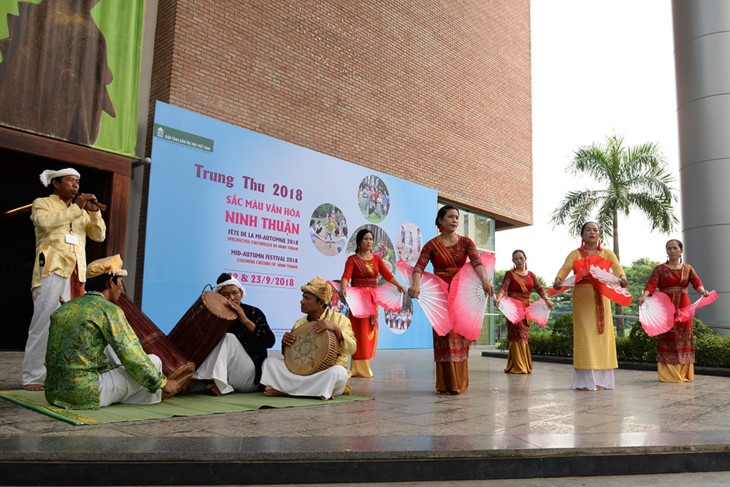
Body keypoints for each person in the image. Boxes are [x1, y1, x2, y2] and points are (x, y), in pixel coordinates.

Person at [44, 255, 179, 409]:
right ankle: (150, 397)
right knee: (154, 361)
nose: (121, 287)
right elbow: (131, 354)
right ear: (110, 282)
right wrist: (162, 382)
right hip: (85, 395)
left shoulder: (66, 307)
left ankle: (137, 395)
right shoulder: (109, 310)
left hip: (53, 392)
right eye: (120, 281)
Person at [23, 168, 106, 391]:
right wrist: (78, 208)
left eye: (78, 181)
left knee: (72, 326)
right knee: (44, 322)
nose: (76, 184)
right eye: (71, 181)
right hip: (52, 269)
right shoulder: (42, 203)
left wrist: (95, 212)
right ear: (56, 183)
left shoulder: (81, 211)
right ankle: (33, 377)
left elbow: (99, 235)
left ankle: (65, 374)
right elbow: (45, 224)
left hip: (76, 274)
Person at [407, 205, 494, 394]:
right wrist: (415, 284)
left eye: (457, 217)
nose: (455, 220)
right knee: (443, 335)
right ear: (440, 220)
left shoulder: (466, 242)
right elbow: (419, 267)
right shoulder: (431, 245)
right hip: (440, 293)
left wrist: (485, 281)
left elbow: (477, 262)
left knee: (460, 336)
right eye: (450, 217)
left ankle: (458, 383)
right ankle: (446, 383)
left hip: (462, 292)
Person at [552, 222, 628, 391]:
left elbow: (618, 269)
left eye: (595, 230)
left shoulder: (607, 253)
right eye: (588, 230)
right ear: (582, 235)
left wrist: (622, 278)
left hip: (602, 296)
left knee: (603, 337)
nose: (592, 232)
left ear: (599, 234)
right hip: (582, 298)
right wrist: (558, 279)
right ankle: (585, 382)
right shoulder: (575, 254)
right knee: (584, 336)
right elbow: (564, 269)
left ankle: (601, 381)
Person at [260, 277, 356, 400]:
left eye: (307, 298)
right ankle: (310, 391)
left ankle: (287, 391)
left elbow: (352, 348)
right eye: (303, 297)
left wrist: (337, 329)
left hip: (324, 374)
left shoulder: (340, 320)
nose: (302, 301)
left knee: (338, 372)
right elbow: (290, 357)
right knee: (270, 363)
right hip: (301, 374)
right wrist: (285, 344)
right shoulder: (300, 323)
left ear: (321, 303)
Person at [637, 239, 711, 383]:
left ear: (681, 250)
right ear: (666, 251)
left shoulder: (688, 268)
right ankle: (668, 375)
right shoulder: (659, 269)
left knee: (684, 336)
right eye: (669, 248)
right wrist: (644, 296)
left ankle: (684, 373)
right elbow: (651, 285)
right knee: (666, 336)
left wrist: (703, 291)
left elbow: (697, 283)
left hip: (684, 306)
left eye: (675, 248)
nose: (672, 251)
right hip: (665, 306)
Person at [191, 273, 276, 394]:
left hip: (250, 378)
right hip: (227, 377)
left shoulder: (253, 312)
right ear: (219, 297)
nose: (231, 297)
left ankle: (219, 385)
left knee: (229, 338)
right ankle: (213, 382)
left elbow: (270, 341)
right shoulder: (215, 316)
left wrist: (244, 319)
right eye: (225, 294)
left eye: (235, 292)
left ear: (241, 293)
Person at [340, 229, 407, 378]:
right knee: (359, 332)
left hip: (372, 300)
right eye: (366, 239)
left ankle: (365, 366)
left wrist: (398, 285)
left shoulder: (376, 259)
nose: (369, 242)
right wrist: (343, 288)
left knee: (370, 331)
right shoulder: (352, 260)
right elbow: (345, 276)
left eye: (371, 239)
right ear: (359, 242)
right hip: (358, 300)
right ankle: (357, 368)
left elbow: (387, 275)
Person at [494, 250, 553, 374]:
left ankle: (522, 364)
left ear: (525, 258)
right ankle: (518, 366)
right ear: (513, 261)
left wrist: (547, 300)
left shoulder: (531, 275)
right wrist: (498, 298)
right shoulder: (510, 274)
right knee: (517, 335)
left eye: (521, 258)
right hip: (513, 309)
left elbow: (540, 289)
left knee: (524, 335)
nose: (519, 261)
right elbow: (503, 288)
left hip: (526, 308)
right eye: (516, 259)